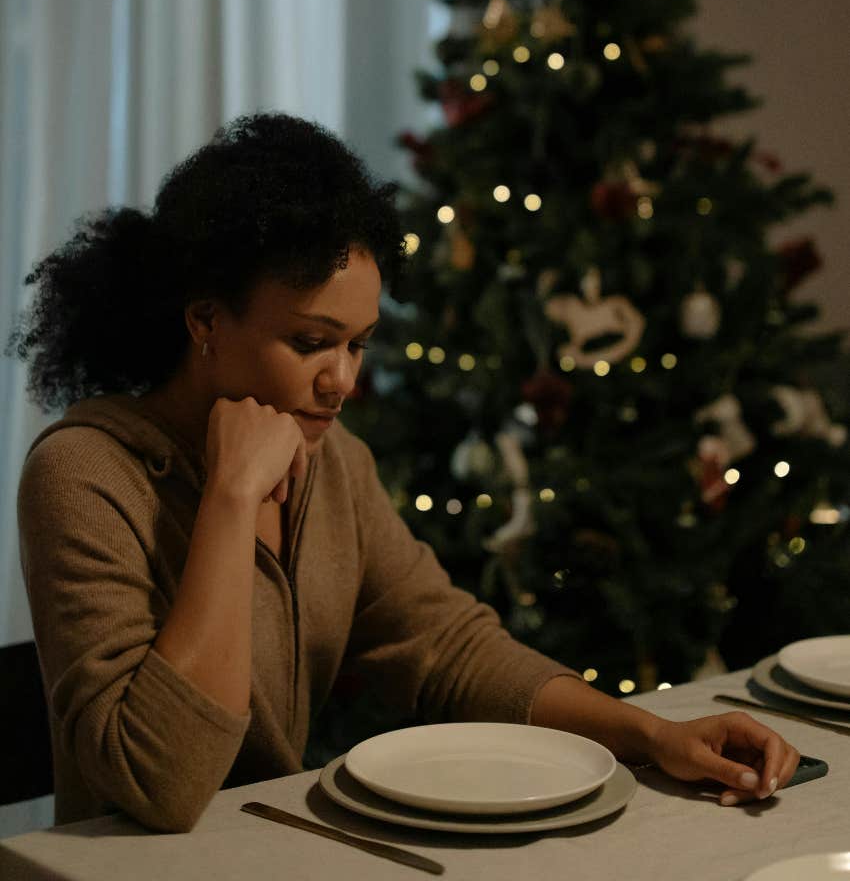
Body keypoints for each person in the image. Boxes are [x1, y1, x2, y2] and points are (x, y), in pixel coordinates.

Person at [11, 112, 799, 834]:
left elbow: (447, 646)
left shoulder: (333, 463)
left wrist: (653, 735)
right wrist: (231, 494)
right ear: (206, 320)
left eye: (358, 344)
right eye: (311, 342)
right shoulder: (84, 475)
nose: (342, 382)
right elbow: (162, 784)